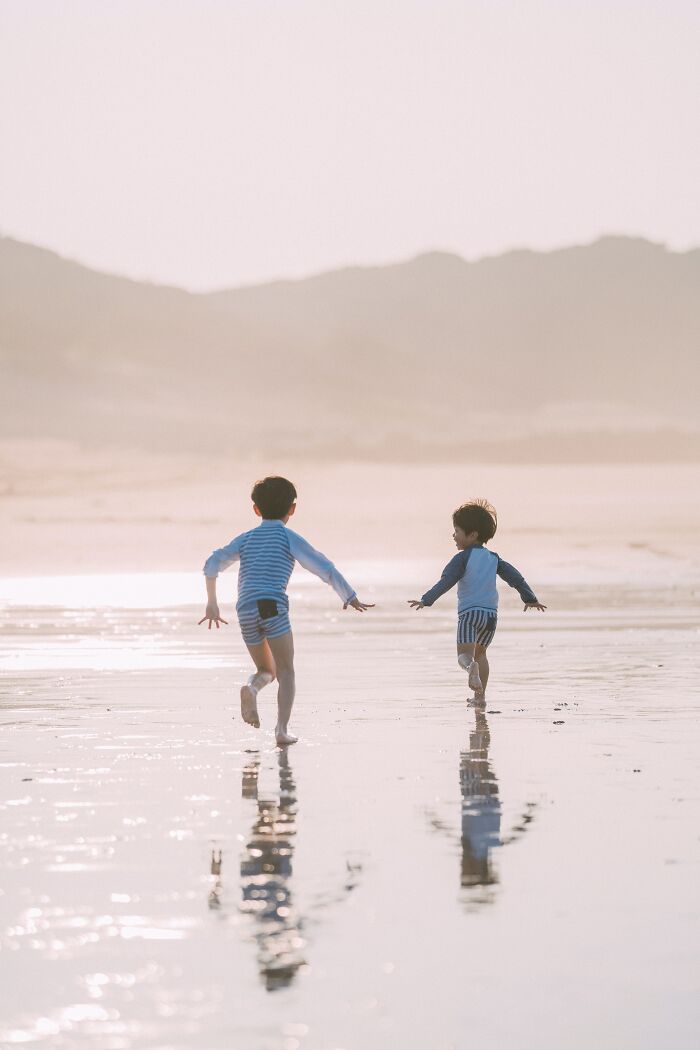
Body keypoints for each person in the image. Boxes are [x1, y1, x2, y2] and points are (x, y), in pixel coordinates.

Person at [200, 476, 373, 744]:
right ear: (292, 509)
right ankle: (281, 731)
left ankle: (252, 688)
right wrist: (349, 595)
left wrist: (212, 602)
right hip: (271, 606)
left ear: (256, 509)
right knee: (286, 671)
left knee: (265, 670)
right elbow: (322, 566)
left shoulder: (246, 539)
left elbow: (213, 562)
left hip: (244, 608)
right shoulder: (286, 536)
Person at [408, 499, 545, 704]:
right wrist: (530, 598)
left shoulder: (462, 558)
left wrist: (426, 600)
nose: (453, 535)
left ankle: (469, 668)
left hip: (469, 614)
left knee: (464, 655)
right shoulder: (494, 558)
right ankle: (479, 697)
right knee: (481, 654)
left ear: (472, 535)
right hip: (490, 616)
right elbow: (516, 578)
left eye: (457, 531)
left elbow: (446, 582)